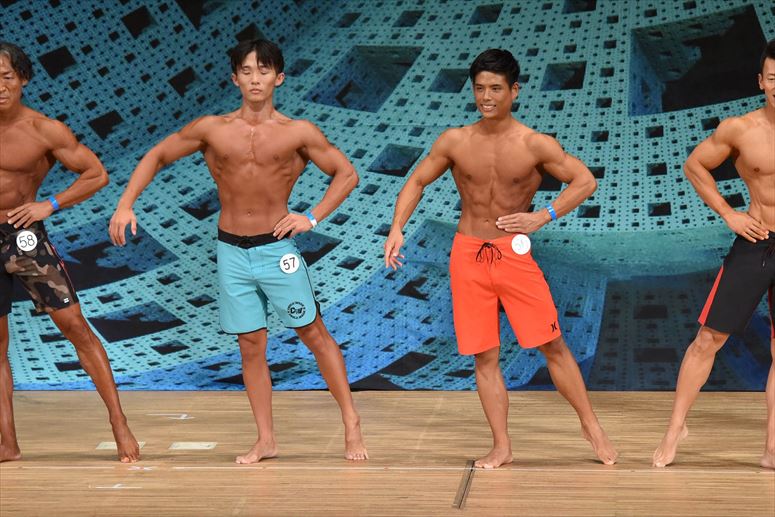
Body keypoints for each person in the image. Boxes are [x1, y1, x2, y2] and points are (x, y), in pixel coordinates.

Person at [109, 39, 367, 463]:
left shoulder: (298, 132)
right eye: (246, 71)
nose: (255, 79)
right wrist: (125, 204)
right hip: (231, 251)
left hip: (277, 250)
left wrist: (312, 217)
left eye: (263, 71)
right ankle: (266, 439)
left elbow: (347, 174)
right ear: (234, 79)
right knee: (250, 344)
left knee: (313, 333)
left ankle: (351, 421)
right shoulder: (212, 128)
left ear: (279, 78)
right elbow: (157, 155)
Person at [384, 48, 617, 468]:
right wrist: (397, 227)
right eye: (479, 88)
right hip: (467, 254)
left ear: (515, 91)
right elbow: (416, 181)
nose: (486, 97)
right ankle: (502, 445)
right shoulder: (455, 140)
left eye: (495, 88)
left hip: (512, 254)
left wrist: (542, 216)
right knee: (485, 355)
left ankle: (591, 426)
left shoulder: (534, 143)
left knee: (552, 344)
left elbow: (585, 181)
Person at [0, 42, 139, 463]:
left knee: (75, 326)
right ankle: (8, 443)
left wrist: (50, 204)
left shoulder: (45, 130)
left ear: (22, 79)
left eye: (6, 77)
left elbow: (96, 174)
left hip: (23, 237)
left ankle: (119, 423)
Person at [653, 39, 775, 469]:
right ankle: (675, 429)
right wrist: (728, 213)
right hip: (757, 240)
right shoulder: (739, 129)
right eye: (774, 78)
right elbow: (694, 165)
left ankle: (772, 448)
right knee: (708, 339)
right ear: (761, 81)